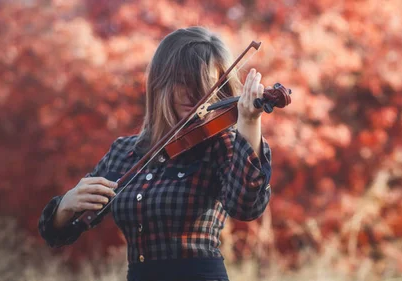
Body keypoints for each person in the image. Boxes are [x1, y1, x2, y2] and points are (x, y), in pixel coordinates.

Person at [38, 26, 272, 281]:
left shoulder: (222, 145)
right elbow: (58, 233)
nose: (194, 94)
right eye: (184, 81)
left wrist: (249, 123)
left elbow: (246, 207)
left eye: (205, 83)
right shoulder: (124, 153)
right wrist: (65, 206)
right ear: (160, 82)